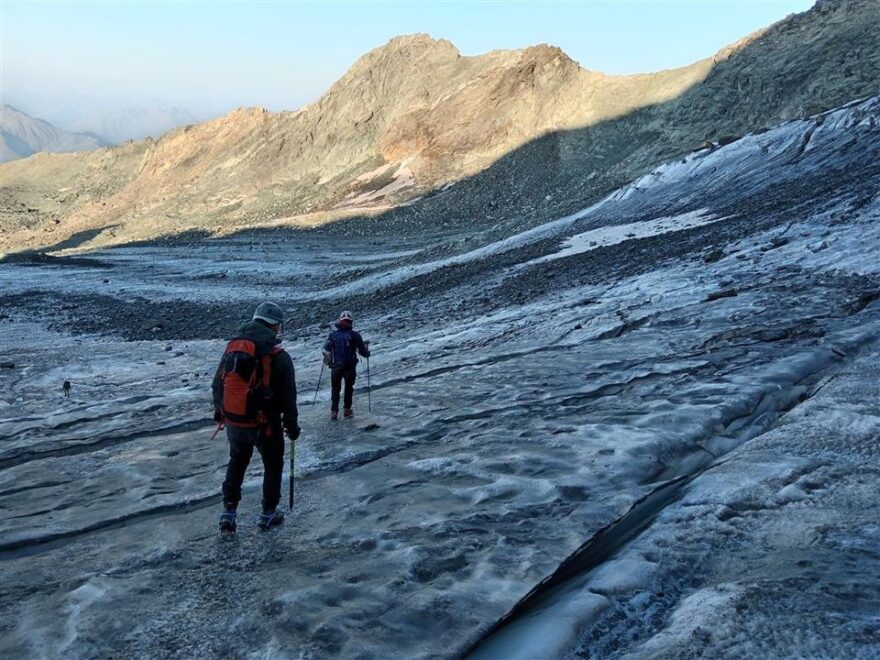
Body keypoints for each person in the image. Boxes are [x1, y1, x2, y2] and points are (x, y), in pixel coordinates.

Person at [212, 302, 300, 533]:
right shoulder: (278, 356)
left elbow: (217, 384)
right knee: (272, 465)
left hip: (234, 422)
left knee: (237, 461)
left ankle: (228, 512)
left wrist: (221, 411)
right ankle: (268, 513)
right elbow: (289, 397)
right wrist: (291, 425)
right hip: (266, 424)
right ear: (275, 326)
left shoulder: (233, 350)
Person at [323, 310, 370, 420]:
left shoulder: (332, 335)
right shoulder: (355, 335)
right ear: (351, 322)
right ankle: (347, 411)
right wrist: (368, 352)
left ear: (340, 321)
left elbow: (327, 351)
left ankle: (334, 412)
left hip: (336, 367)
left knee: (335, 389)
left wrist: (328, 362)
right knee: (349, 388)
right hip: (350, 366)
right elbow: (363, 353)